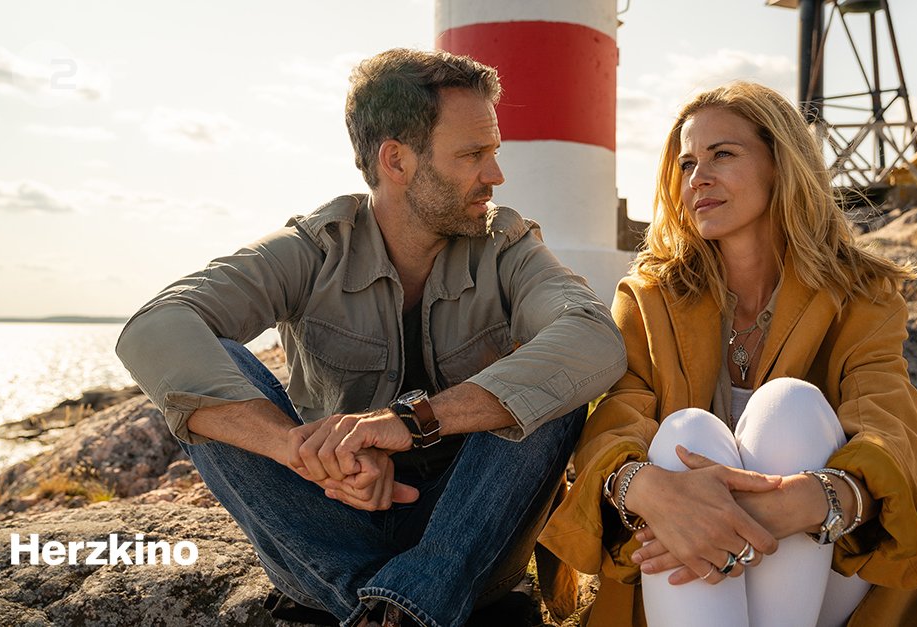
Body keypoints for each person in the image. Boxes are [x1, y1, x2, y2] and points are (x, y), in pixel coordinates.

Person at [115, 48, 626, 627]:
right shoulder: (313, 248)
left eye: (494, 152)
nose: (495, 175)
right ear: (396, 160)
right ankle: (403, 607)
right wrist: (307, 454)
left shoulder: (506, 247)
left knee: (551, 385)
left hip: (467, 531)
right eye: (472, 155)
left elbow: (593, 336)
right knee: (202, 374)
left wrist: (411, 422)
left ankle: (401, 597)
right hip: (328, 519)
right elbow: (156, 326)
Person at [539, 82, 917, 626]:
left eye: (722, 154)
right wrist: (648, 489)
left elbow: (888, 414)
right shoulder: (650, 295)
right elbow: (619, 415)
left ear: (781, 165)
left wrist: (808, 499)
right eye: (687, 164)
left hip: (830, 551)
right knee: (686, 433)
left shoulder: (860, 293)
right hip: (685, 554)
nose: (698, 178)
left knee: (790, 406)